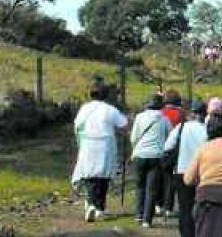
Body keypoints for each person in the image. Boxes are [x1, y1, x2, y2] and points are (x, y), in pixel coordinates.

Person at [165, 100, 222, 237]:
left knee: (185, 209)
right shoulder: (207, 130)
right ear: (205, 113)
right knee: (204, 208)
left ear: (191, 113)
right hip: (204, 172)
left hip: (182, 171)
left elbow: (167, 146)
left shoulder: (181, 127)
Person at [71, 81, 129, 222]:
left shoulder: (84, 109)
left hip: (88, 143)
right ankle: (99, 207)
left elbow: (77, 126)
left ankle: (92, 204)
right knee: (103, 176)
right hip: (105, 144)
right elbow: (124, 124)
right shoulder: (109, 109)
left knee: (89, 174)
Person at [130, 94, 171, 228]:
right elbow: (170, 136)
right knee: (151, 188)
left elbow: (133, 137)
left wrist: (135, 148)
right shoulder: (164, 119)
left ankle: (139, 215)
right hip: (156, 156)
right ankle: (147, 220)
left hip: (140, 155)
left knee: (140, 186)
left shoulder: (139, 117)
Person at [158, 90, 184, 218]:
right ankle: (168, 207)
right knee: (171, 180)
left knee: (158, 178)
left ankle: (158, 204)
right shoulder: (180, 114)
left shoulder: (160, 113)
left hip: (159, 148)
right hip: (174, 150)